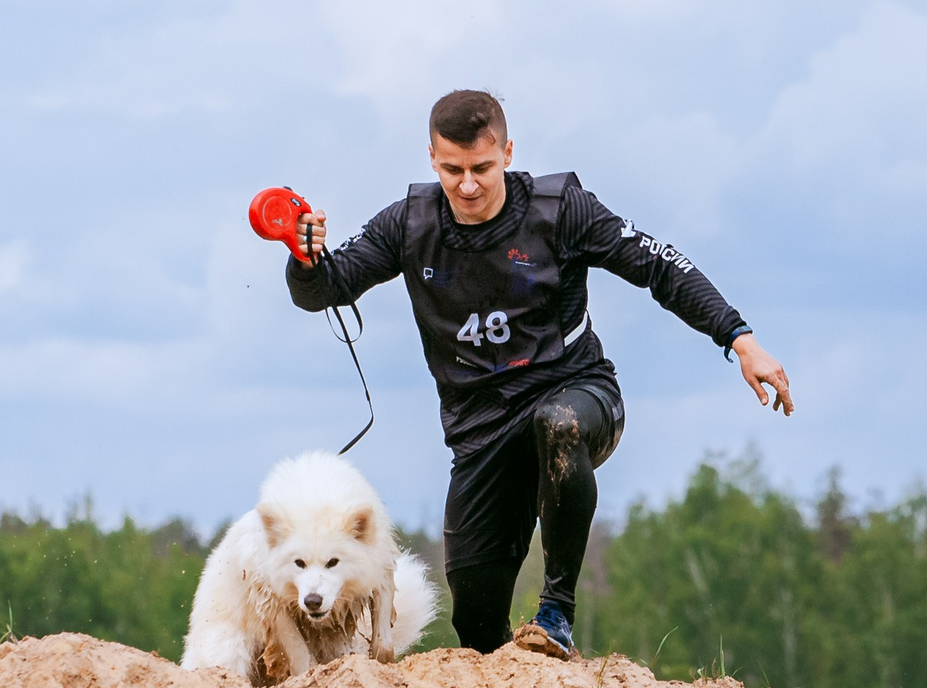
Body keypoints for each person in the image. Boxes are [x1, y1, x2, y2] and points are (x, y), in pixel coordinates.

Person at [283, 89, 791, 657]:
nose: (467, 185)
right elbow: (327, 287)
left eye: (482, 167)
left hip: (575, 391)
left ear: (507, 152)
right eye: (452, 170)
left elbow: (658, 265)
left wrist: (738, 338)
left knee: (558, 423)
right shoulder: (408, 223)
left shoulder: (560, 209)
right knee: (475, 623)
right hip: (480, 431)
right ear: (431, 159)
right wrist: (304, 257)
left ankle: (557, 612)